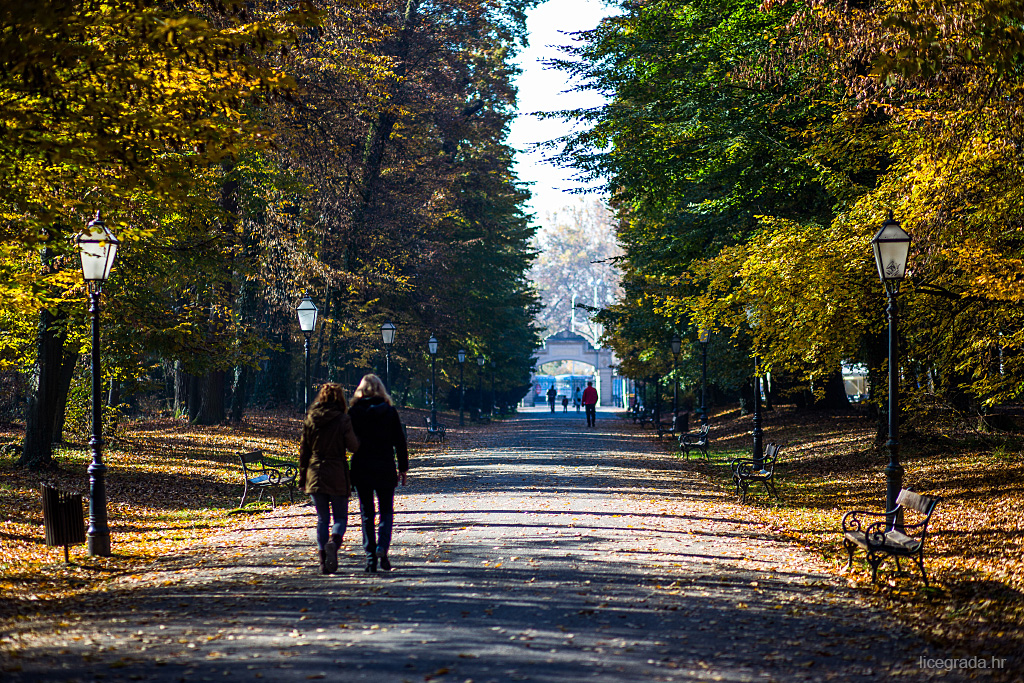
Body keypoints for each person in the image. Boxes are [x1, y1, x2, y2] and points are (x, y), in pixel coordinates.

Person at [348, 374, 409, 573]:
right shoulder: (390, 412)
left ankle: (370, 558)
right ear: (381, 389)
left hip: (362, 466)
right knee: (386, 512)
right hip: (384, 466)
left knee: (367, 514)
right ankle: (383, 547)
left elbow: (349, 442)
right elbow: (400, 441)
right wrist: (403, 468)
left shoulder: (354, 412)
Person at [298, 383, 360, 575]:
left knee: (322, 518)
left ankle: (323, 561)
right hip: (336, 473)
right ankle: (334, 541)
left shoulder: (311, 418)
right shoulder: (343, 419)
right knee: (340, 517)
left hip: (315, 472)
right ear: (339, 399)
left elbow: (304, 451)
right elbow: (353, 447)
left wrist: (302, 479)